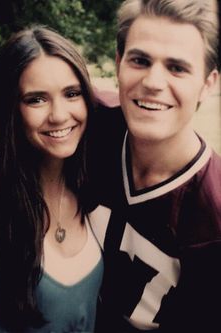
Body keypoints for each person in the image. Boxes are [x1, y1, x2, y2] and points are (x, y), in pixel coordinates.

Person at [88, 0, 221, 332]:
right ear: (119, 63)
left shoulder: (213, 218)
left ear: (209, 82)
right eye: (140, 60)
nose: (153, 81)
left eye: (177, 67)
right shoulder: (87, 121)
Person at [0, 25, 103, 332]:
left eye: (72, 93)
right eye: (36, 99)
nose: (59, 115)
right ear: (11, 109)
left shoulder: (93, 180)